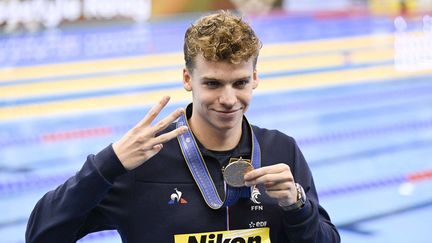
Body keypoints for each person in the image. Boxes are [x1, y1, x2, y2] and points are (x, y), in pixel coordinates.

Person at [26, 11, 340, 243]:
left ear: (255, 78)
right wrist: (107, 165)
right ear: (188, 79)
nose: (229, 99)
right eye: (213, 84)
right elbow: (42, 234)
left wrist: (297, 205)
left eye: (240, 82)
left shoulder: (281, 151)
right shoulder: (143, 161)